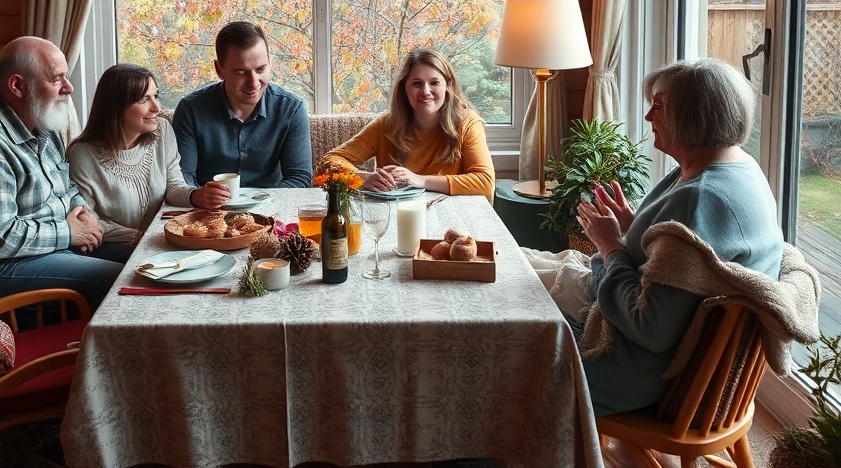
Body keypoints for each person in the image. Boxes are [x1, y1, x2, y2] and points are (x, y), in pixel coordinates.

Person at [546, 57, 785, 416]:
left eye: (658, 107)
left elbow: (650, 328)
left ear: (694, 114)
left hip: (628, 371)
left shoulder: (701, 196)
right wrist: (632, 227)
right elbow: (678, 256)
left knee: (510, 328)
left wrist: (610, 245)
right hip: (645, 353)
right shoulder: (736, 167)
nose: (648, 118)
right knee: (516, 272)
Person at [0, 36, 130, 313]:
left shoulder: (41, 118)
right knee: (119, 280)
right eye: (57, 79)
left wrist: (81, 210)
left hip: (45, 246)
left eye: (66, 77)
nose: (68, 88)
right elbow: (0, 241)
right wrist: (70, 231)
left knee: (142, 259)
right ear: (17, 86)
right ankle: (99, 355)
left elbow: (66, 186)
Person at [67, 64, 226, 244]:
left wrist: (198, 196)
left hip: (159, 239)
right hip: (114, 246)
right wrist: (142, 238)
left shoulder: (162, 130)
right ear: (116, 106)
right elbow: (88, 221)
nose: (156, 107)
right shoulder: (81, 154)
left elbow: (173, 185)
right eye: (144, 100)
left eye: (155, 96)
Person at [319, 47, 495, 200]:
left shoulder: (468, 123)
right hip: (395, 216)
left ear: (447, 86)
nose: (426, 91)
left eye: (434, 83)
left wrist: (420, 180)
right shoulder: (386, 125)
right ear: (404, 89)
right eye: (417, 84)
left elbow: (485, 182)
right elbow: (328, 162)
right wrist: (363, 178)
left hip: (449, 218)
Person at [173, 21, 312, 194]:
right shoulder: (190, 110)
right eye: (241, 72)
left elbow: (300, 180)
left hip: (271, 208)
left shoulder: (292, 109)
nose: (254, 83)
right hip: (207, 210)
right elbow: (182, 177)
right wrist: (197, 196)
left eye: (261, 69)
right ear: (219, 70)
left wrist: (255, 203)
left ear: (270, 62)